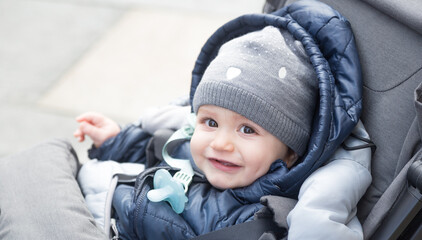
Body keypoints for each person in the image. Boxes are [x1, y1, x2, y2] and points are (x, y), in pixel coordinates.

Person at [74, 25, 371, 240]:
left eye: (247, 129)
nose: (221, 143)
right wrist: (115, 139)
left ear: (291, 152)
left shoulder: (261, 217)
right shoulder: (191, 150)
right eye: (211, 123)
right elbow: (150, 149)